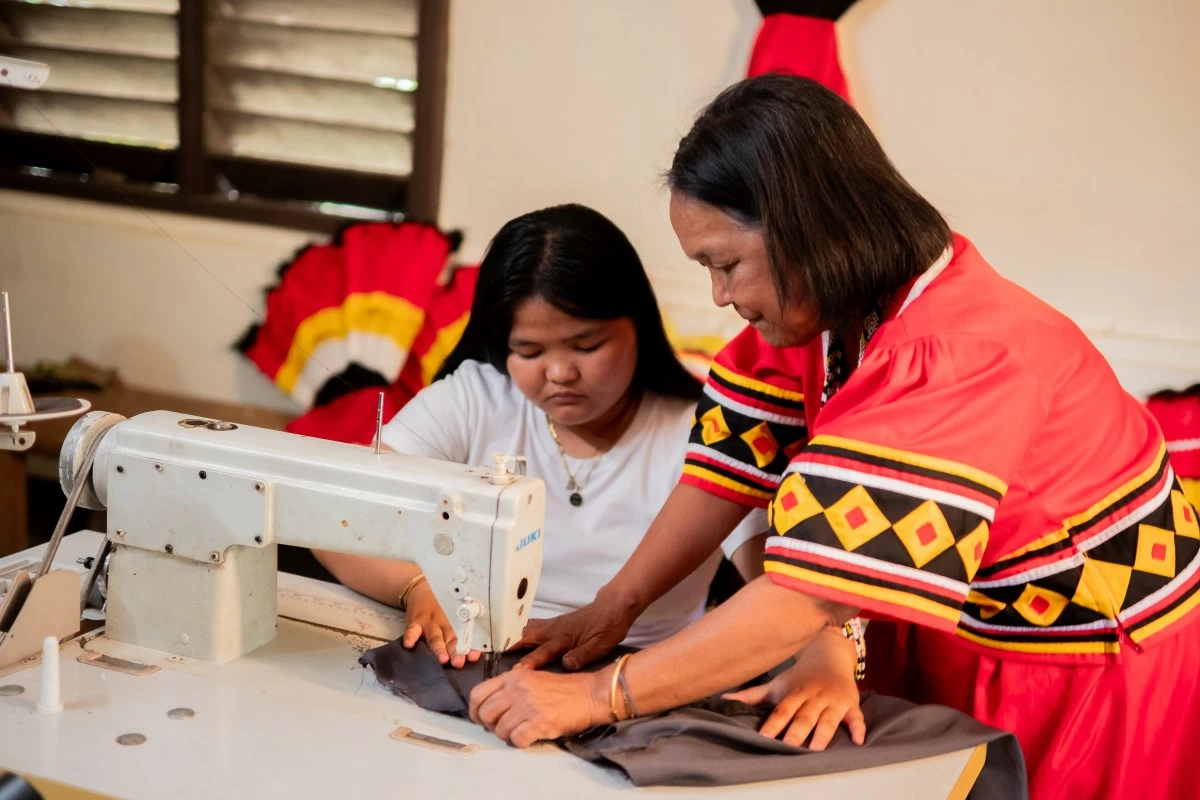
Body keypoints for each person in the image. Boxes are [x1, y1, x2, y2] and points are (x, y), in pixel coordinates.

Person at [466, 76, 1200, 800]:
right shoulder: (818, 311)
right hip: (962, 638)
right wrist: (614, 605)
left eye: (726, 264)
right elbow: (729, 471)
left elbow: (807, 597)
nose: (719, 296)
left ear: (805, 230)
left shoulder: (959, 355)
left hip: (1079, 673)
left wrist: (599, 698)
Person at [314, 203, 864, 744]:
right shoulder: (475, 400)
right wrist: (414, 584)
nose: (559, 373)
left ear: (639, 327)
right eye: (527, 350)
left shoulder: (708, 429)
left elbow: (789, 581)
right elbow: (333, 516)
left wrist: (828, 655)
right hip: (476, 655)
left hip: (645, 681)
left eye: (587, 345)